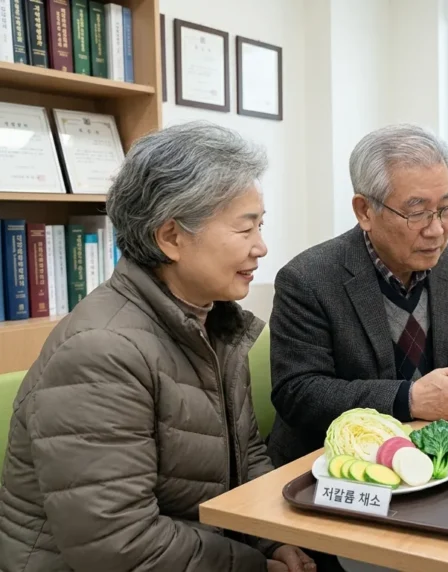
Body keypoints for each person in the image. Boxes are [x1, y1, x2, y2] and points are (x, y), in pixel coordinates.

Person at [0, 122, 315, 572]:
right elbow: (116, 545)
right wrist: (253, 565)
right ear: (171, 238)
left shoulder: (215, 323)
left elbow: (248, 460)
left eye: (260, 226)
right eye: (245, 229)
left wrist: (274, 541)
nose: (261, 247)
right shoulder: (101, 354)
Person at [266, 124, 448, 468]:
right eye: (416, 212)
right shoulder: (309, 279)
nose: (436, 229)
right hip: (337, 467)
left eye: (446, 208)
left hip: (435, 458)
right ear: (364, 211)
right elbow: (299, 393)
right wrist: (410, 399)